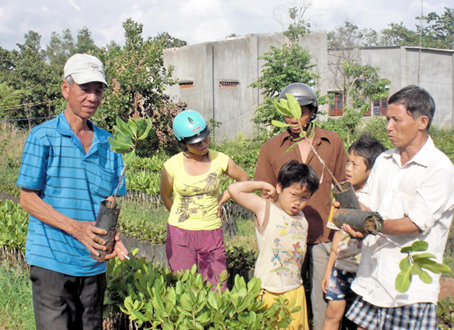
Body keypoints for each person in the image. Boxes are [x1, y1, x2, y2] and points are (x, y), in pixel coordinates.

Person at [16, 53, 128, 330]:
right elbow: (27, 199)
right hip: (51, 261)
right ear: (66, 88)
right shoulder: (43, 137)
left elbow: (110, 201)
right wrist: (76, 229)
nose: (92, 97)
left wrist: (113, 236)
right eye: (85, 89)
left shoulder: (110, 144)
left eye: (98, 91)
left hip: (93, 265)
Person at [342, 85, 454, 330]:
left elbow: (413, 224)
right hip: (372, 279)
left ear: (422, 121)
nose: (388, 127)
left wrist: (369, 225)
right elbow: (367, 204)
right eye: (387, 119)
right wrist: (349, 210)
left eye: (396, 119)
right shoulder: (384, 161)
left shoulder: (439, 168)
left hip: (409, 289)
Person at [254, 82, 347, 330]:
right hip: (284, 237)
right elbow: (263, 193)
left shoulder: (332, 142)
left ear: (312, 112)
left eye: (301, 112)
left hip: (322, 235)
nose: (294, 119)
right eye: (288, 113)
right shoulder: (271, 148)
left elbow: (343, 187)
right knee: (284, 302)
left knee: (323, 302)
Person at [160, 110, 248, 291]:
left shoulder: (220, 160)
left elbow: (243, 179)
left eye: (205, 138)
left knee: (217, 286)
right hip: (180, 234)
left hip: (211, 232)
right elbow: (166, 196)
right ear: (182, 143)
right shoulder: (171, 166)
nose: (203, 144)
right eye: (195, 142)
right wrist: (181, 217)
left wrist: (222, 199)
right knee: (185, 288)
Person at [228, 160, 320, 330]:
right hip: (268, 291)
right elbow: (234, 189)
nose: (297, 202)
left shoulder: (302, 219)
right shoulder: (266, 209)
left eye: (304, 198)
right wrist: (263, 184)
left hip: (295, 290)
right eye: (293, 195)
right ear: (279, 188)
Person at [321, 133, 386, 330]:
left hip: (365, 271)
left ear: (372, 169)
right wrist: (328, 269)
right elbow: (337, 236)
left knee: (362, 322)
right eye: (348, 162)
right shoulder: (342, 196)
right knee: (333, 313)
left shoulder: (376, 199)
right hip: (341, 267)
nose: (348, 168)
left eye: (355, 164)